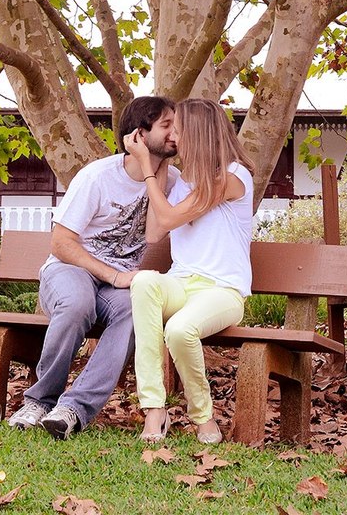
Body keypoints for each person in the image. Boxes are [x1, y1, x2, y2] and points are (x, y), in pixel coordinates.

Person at [9, 95, 178, 440]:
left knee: (136, 310)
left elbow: (155, 232)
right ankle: (40, 401)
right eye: (167, 125)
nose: (176, 133)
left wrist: (156, 170)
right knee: (77, 304)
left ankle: (74, 409)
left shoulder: (171, 180)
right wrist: (113, 274)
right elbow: (61, 244)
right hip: (71, 270)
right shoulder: (98, 177)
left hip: (118, 287)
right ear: (139, 135)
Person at [124, 98, 253, 445]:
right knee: (144, 281)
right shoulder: (183, 182)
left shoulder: (233, 177)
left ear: (197, 134)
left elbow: (167, 218)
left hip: (222, 291)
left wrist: (146, 166)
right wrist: (160, 166)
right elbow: (155, 233)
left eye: (178, 131)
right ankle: (154, 408)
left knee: (180, 330)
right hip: (181, 283)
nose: (173, 137)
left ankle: (203, 416)